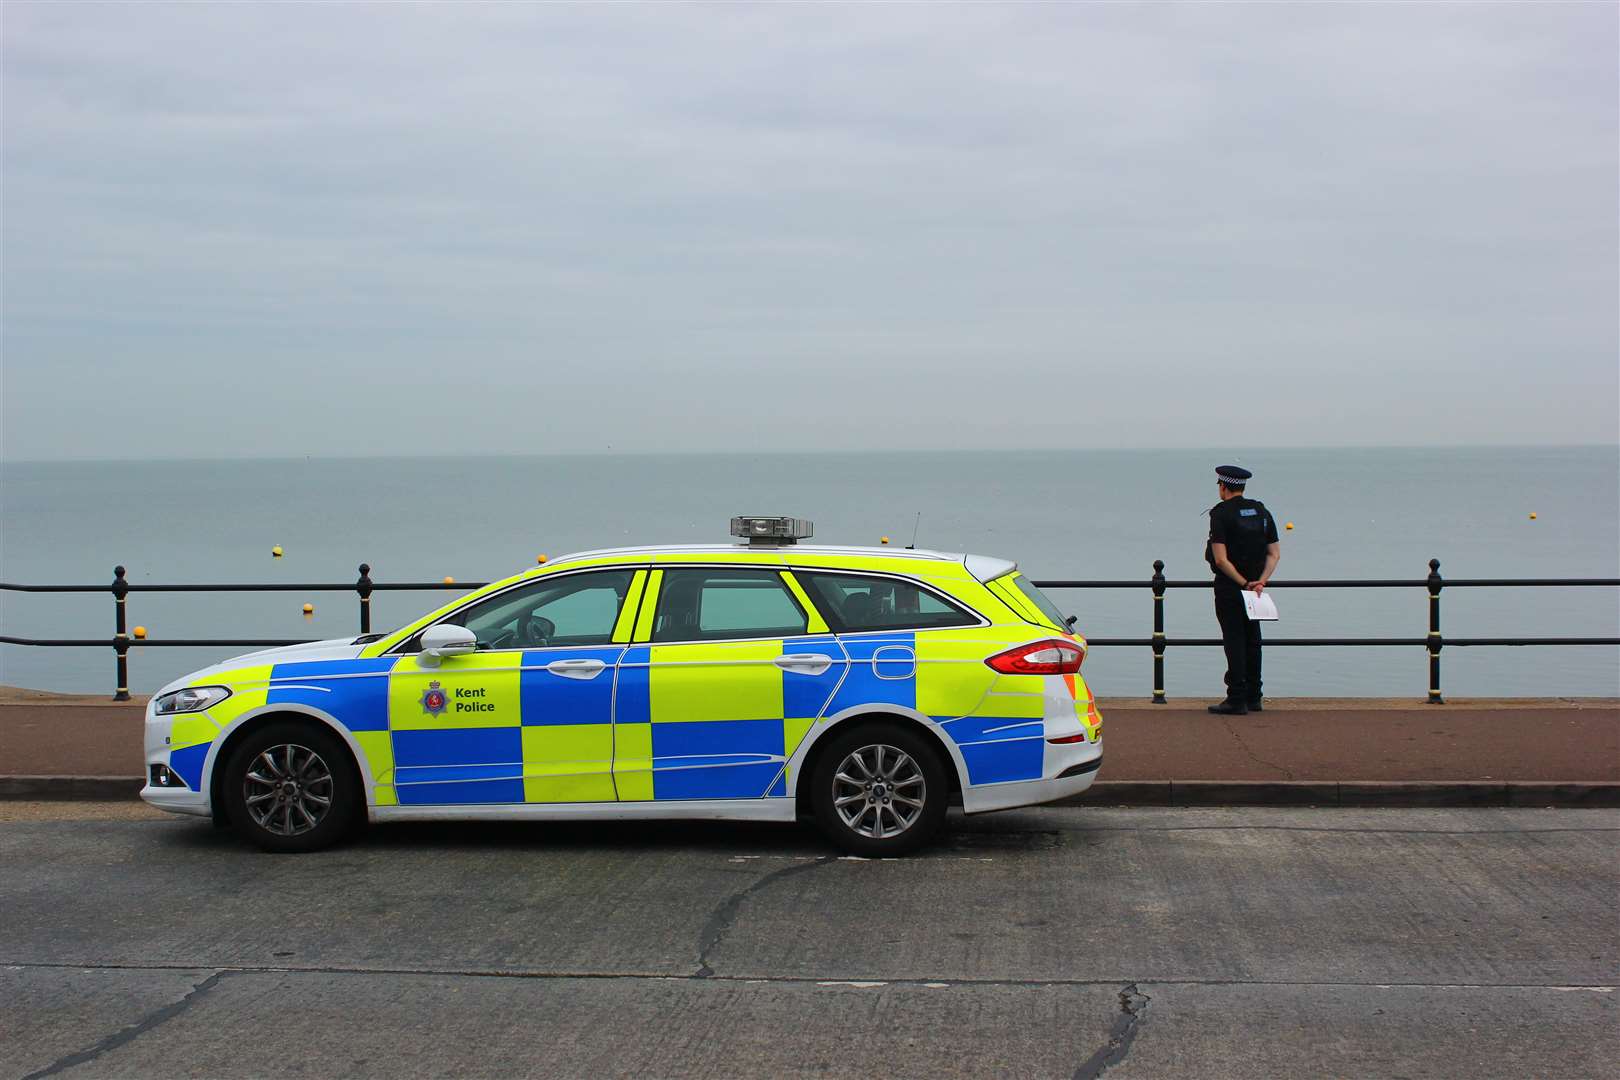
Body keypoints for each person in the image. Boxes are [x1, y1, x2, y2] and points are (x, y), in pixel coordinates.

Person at [1204, 464, 1280, 715]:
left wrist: (1242, 582)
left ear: (1223, 487)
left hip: (1230, 587)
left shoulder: (1220, 514)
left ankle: (1236, 698)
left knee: (1234, 641)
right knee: (1253, 641)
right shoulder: (1261, 511)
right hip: (1256, 590)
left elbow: (1221, 560)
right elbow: (1274, 553)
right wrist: (1260, 582)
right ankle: (1254, 696)